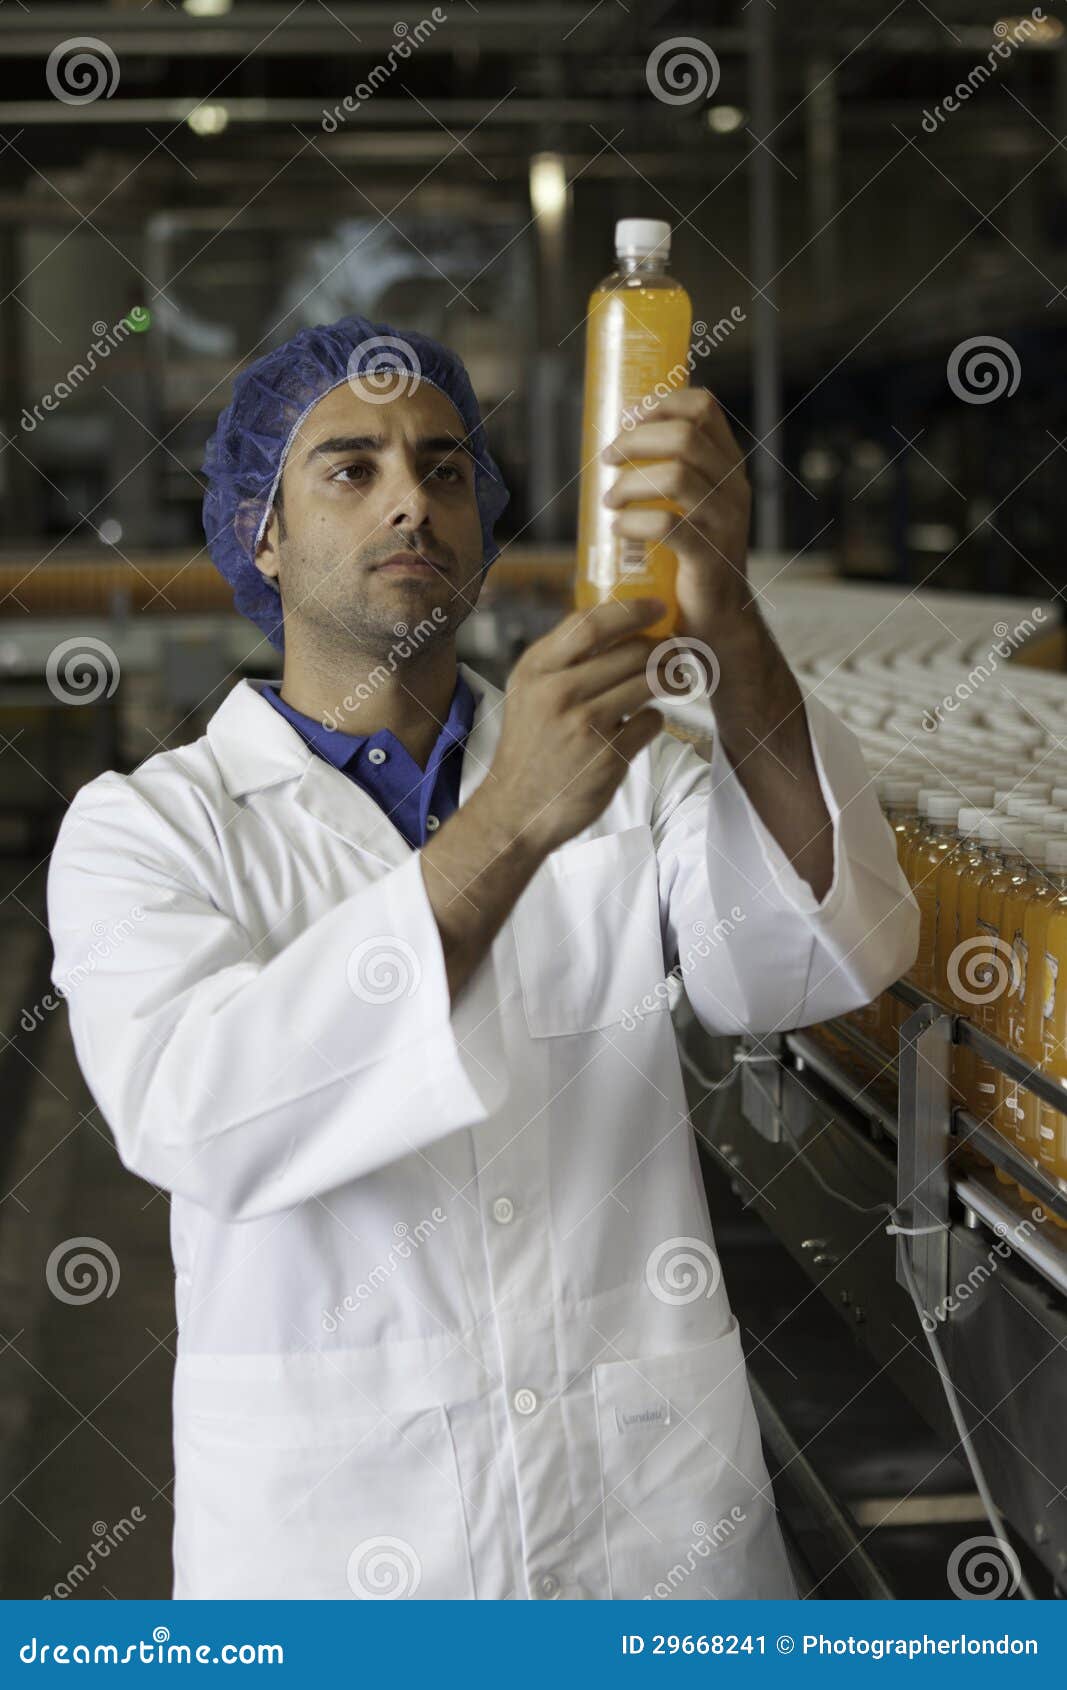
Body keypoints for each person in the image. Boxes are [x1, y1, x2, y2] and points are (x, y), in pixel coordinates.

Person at [46, 313, 918, 1601]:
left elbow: (822, 954)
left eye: (444, 468)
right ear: (261, 535)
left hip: (649, 1541)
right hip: (340, 1559)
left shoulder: (627, 766)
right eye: (352, 468)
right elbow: (205, 1117)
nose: (411, 500)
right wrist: (507, 822)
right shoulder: (149, 830)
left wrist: (727, 620)